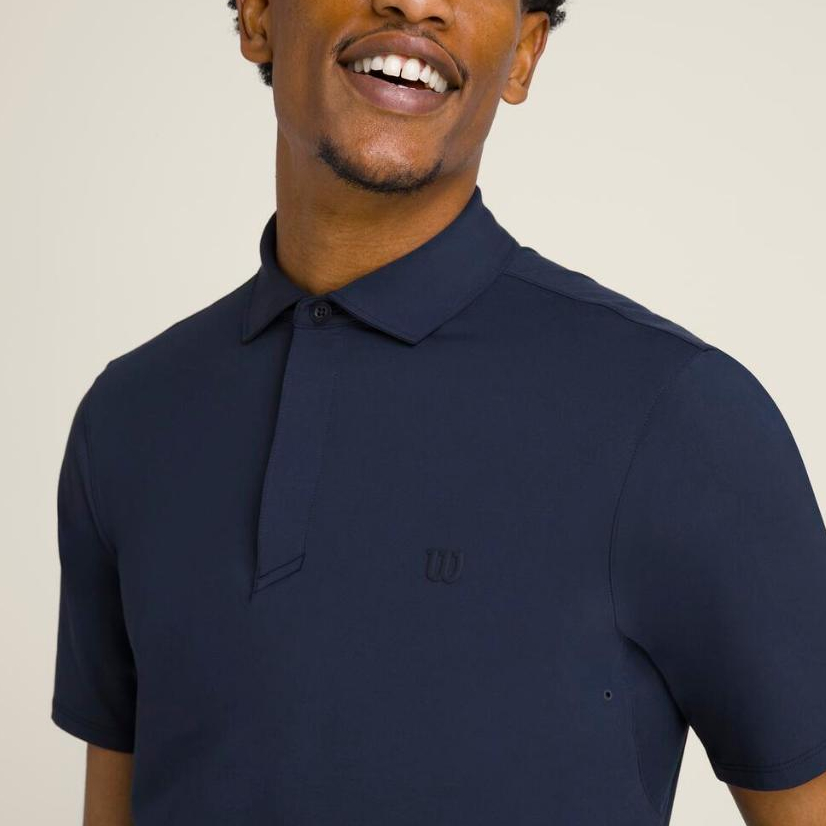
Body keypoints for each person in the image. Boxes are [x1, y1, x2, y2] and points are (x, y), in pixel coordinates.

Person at [51, 1, 826, 824]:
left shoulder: (680, 416)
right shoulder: (130, 418)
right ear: (257, 18)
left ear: (524, 53)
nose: (416, 3)